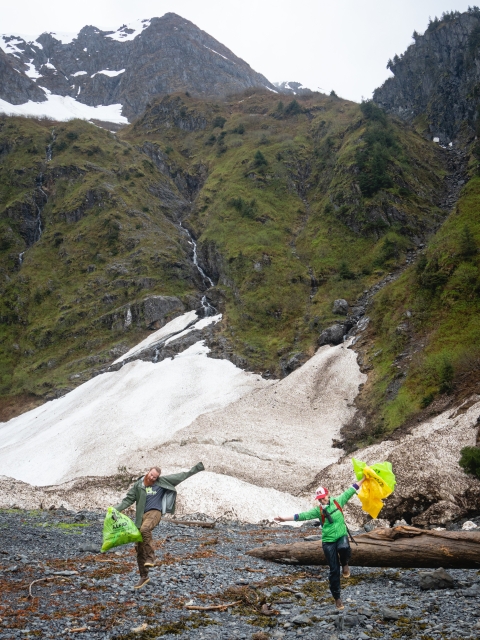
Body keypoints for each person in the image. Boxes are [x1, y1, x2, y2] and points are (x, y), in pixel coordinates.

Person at [274, 476, 365, 610]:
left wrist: (364, 478)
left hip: (341, 535)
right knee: (334, 570)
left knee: (344, 547)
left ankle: (345, 563)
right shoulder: (318, 511)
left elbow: (352, 489)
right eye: (319, 499)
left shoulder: (338, 501)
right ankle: (337, 598)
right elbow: (301, 516)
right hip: (328, 541)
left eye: (323, 497)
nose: (322, 500)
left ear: (328, 495)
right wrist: (284, 519)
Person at [115, 462, 205, 589]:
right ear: (148, 472)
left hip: (155, 512)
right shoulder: (138, 485)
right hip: (141, 517)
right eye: (151, 475)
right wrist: (115, 509)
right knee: (139, 548)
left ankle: (151, 558)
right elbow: (128, 499)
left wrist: (197, 468)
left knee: (145, 529)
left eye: (155, 477)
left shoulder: (162, 482)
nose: (152, 478)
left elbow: (181, 476)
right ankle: (144, 576)